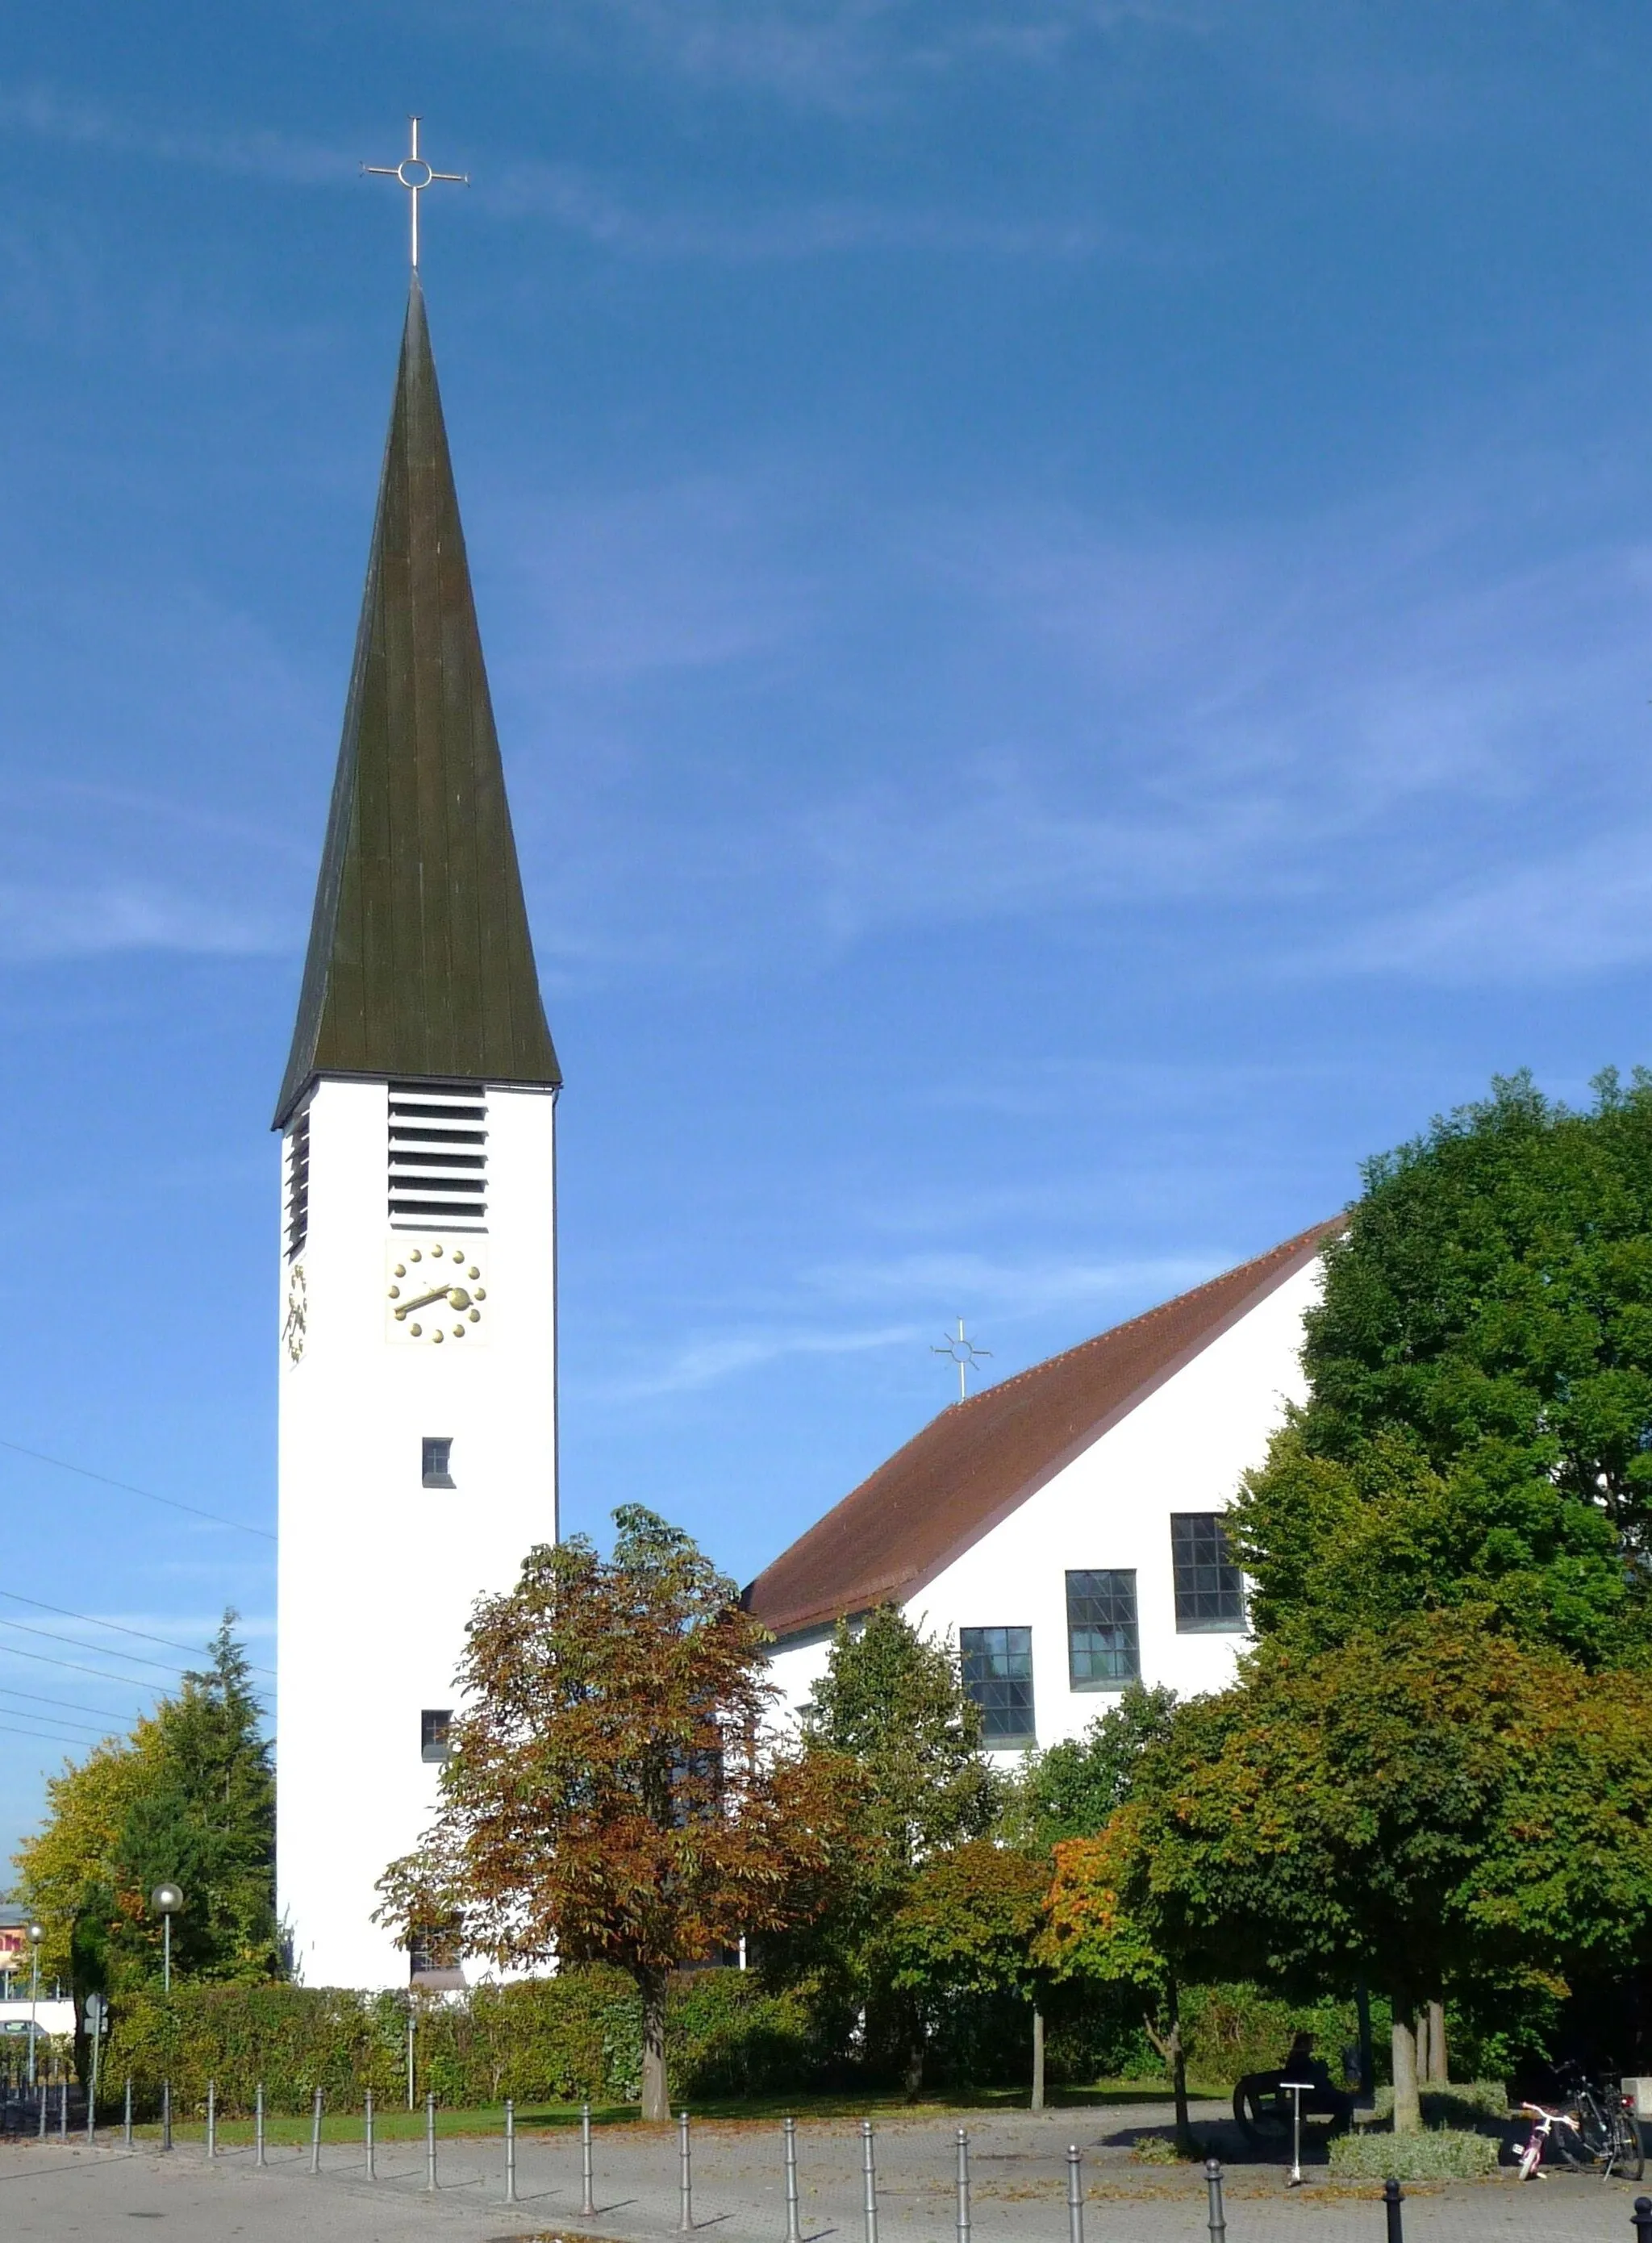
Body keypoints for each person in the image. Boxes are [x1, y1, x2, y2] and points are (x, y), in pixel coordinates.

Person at [1281, 2032, 1354, 2128]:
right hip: (1308, 2099)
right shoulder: (1299, 2061)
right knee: (1345, 2101)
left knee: (1344, 2098)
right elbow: (1309, 2080)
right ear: (1303, 2044)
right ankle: (1337, 2128)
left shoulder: (1300, 2059)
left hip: (1310, 2095)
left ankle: (1337, 2127)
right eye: (1310, 2044)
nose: (1312, 2047)